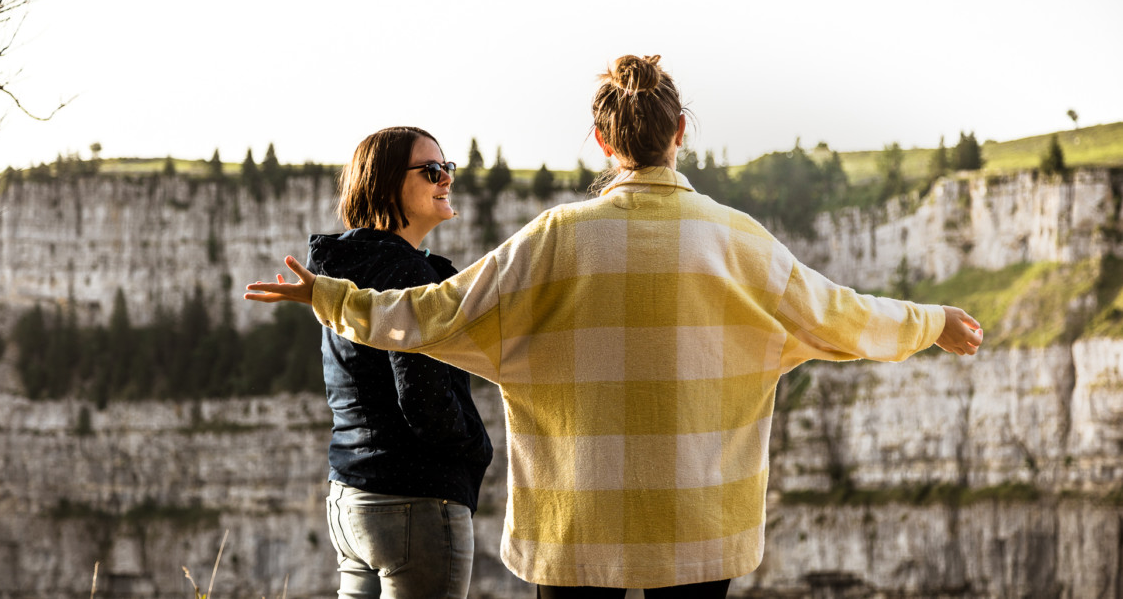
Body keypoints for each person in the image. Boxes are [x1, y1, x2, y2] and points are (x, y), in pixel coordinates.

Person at [246, 56, 983, 597]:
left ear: (601, 141)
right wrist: (933, 322)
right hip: (697, 521)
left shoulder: (557, 235)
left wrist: (331, 297)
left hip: (573, 526)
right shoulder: (733, 237)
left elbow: (434, 314)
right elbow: (839, 315)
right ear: (681, 132)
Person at [304, 126, 493, 599]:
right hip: (415, 501)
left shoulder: (347, 267)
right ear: (387, 184)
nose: (446, 179)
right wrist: (475, 447)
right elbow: (423, 396)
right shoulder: (408, 272)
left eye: (447, 168)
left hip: (351, 499)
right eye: (432, 171)